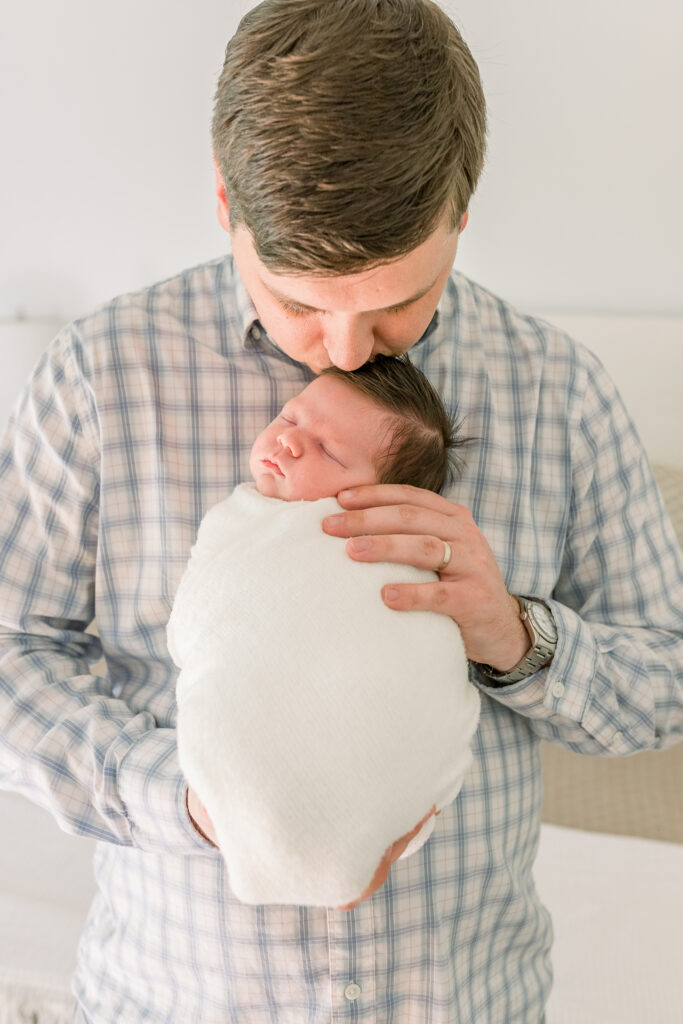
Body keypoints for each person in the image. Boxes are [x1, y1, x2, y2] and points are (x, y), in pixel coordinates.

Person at [0, 0, 681, 1021]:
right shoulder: (104, 377)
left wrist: (512, 635)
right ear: (226, 204)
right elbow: (12, 656)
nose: (350, 350)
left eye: (396, 303)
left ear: (461, 210)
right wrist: (191, 803)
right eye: (300, 302)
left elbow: (661, 686)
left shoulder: (555, 389)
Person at [166, 355, 481, 912]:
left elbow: (413, 659)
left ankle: (357, 831)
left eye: (330, 452)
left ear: (385, 498)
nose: (290, 442)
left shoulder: (394, 549)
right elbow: (202, 623)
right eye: (290, 419)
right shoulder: (238, 523)